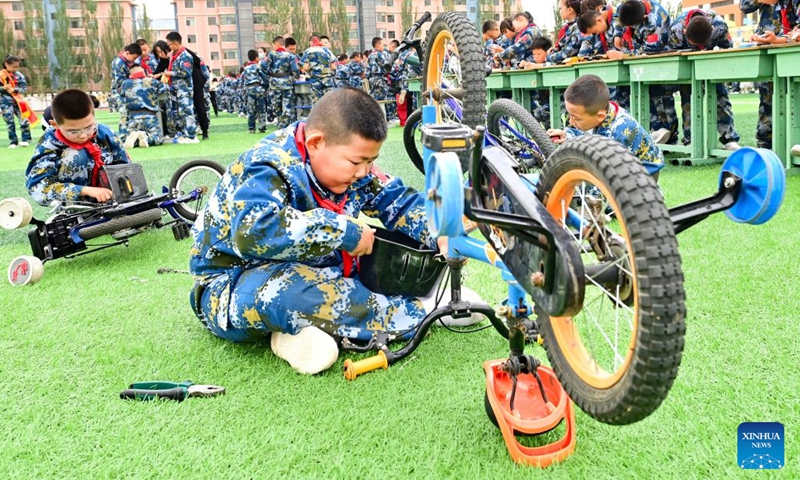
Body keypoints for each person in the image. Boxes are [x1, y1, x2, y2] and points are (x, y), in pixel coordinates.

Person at [188, 88, 482, 375]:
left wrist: (442, 232)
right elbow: (255, 231)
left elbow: (398, 201)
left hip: (319, 273)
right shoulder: (267, 164)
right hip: (232, 286)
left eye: (371, 161)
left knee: (374, 260)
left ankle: (297, 333)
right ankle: (425, 311)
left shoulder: (347, 163)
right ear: (316, 143)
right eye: (357, 162)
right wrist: (343, 231)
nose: (364, 172)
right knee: (286, 295)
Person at [547, 74, 665, 178]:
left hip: (641, 176)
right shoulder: (604, 112)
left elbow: (604, 173)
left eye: (576, 118)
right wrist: (568, 136)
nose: (571, 122)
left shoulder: (619, 132)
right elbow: (592, 138)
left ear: (600, 116)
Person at [26, 89, 130, 206]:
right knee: (75, 154)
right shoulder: (48, 143)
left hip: (112, 199)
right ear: (55, 125)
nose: (83, 135)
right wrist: (83, 190)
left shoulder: (105, 133)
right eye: (73, 131)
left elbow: (127, 168)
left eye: (88, 127)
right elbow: (38, 187)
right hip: (76, 207)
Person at [668, 9, 741, 151]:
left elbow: (728, 47)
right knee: (688, 100)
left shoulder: (719, 26)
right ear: (684, 32)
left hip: (711, 64)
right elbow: (672, 53)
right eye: (694, 44)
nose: (698, 47)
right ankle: (691, 139)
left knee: (720, 97)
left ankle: (729, 139)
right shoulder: (676, 29)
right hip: (687, 65)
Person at [615, 0, 676, 142]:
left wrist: (624, 55)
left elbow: (652, 49)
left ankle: (670, 137)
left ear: (643, 18)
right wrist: (618, 34)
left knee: (661, 98)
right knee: (640, 97)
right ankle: (653, 134)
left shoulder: (658, 20)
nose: (630, 28)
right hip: (636, 57)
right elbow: (619, 18)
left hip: (659, 60)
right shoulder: (627, 7)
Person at [741, 0, 796, 149]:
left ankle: (793, 140)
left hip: (790, 46)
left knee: (794, 94)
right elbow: (744, 6)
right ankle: (765, 142)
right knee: (767, 95)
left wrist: (780, 40)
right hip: (767, 44)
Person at [163, 31, 200, 144]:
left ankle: (191, 136)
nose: (168, 47)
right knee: (179, 113)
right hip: (175, 89)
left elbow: (185, 72)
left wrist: (170, 73)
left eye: (169, 44)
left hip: (184, 89)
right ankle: (184, 134)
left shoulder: (185, 56)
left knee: (187, 112)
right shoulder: (174, 56)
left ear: (175, 43)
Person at [120, 66, 170, 148]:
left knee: (128, 138)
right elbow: (164, 89)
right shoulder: (151, 81)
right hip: (149, 116)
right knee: (158, 138)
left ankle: (134, 139)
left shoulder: (125, 83)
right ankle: (146, 137)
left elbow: (121, 94)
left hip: (133, 117)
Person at [263, 36, 300, 129]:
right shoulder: (290, 56)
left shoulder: (271, 54)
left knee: (277, 108)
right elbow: (295, 70)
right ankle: (285, 127)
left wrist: (269, 74)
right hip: (287, 84)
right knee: (287, 108)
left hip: (275, 84)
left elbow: (263, 66)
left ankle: (280, 126)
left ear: (276, 44)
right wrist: (295, 77)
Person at [110, 43, 142, 143]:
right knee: (124, 113)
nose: (134, 60)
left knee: (128, 114)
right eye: (134, 57)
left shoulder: (125, 62)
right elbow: (120, 82)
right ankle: (123, 137)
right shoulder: (119, 63)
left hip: (125, 92)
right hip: (120, 93)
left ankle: (128, 136)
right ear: (127, 53)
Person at [1, 55, 32, 149]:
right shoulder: (1, 76)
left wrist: (15, 90)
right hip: (5, 103)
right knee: (9, 123)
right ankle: (13, 142)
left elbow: (24, 88)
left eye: (17, 67)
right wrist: (3, 88)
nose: (15, 69)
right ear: (6, 64)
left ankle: (26, 140)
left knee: (24, 121)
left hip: (19, 102)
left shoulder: (19, 76)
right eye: (13, 67)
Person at [301, 35, 338, 104]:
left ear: (311, 42)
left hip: (315, 80)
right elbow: (333, 67)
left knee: (316, 103)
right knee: (329, 102)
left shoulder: (308, 51)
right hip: (327, 80)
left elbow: (305, 67)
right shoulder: (327, 50)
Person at [367, 37, 396, 121]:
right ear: (378, 45)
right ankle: (382, 119)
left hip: (372, 79)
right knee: (382, 100)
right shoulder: (379, 55)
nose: (384, 47)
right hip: (380, 80)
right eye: (383, 45)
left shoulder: (370, 56)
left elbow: (367, 71)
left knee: (375, 100)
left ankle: (376, 119)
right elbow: (387, 66)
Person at [547, 0, 584, 65]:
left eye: (560, 8)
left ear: (570, 10)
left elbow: (568, 53)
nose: (559, 11)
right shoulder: (568, 27)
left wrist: (548, 57)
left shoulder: (578, 26)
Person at [242, 49, 269, 133]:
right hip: (259, 89)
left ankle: (251, 128)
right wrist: (266, 86)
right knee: (262, 109)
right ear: (257, 58)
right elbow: (264, 77)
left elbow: (242, 80)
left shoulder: (245, 69)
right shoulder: (258, 67)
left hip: (249, 90)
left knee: (251, 110)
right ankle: (262, 127)